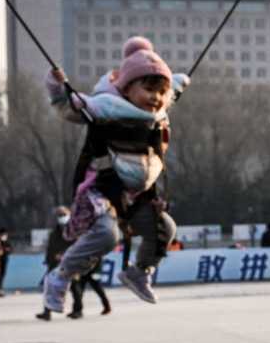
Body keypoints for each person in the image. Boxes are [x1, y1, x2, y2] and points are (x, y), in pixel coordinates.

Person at [43, 37, 187, 312]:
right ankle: (59, 277)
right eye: (148, 90)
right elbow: (65, 104)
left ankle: (139, 271)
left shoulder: (159, 115)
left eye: (160, 93)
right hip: (103, 189)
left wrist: (181, 80)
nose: (155, 99)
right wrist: (56, 83)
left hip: (136, 195)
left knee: (165, 228)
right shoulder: (103, 109)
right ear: (128, 88)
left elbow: (175, 87)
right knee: (108, 237)